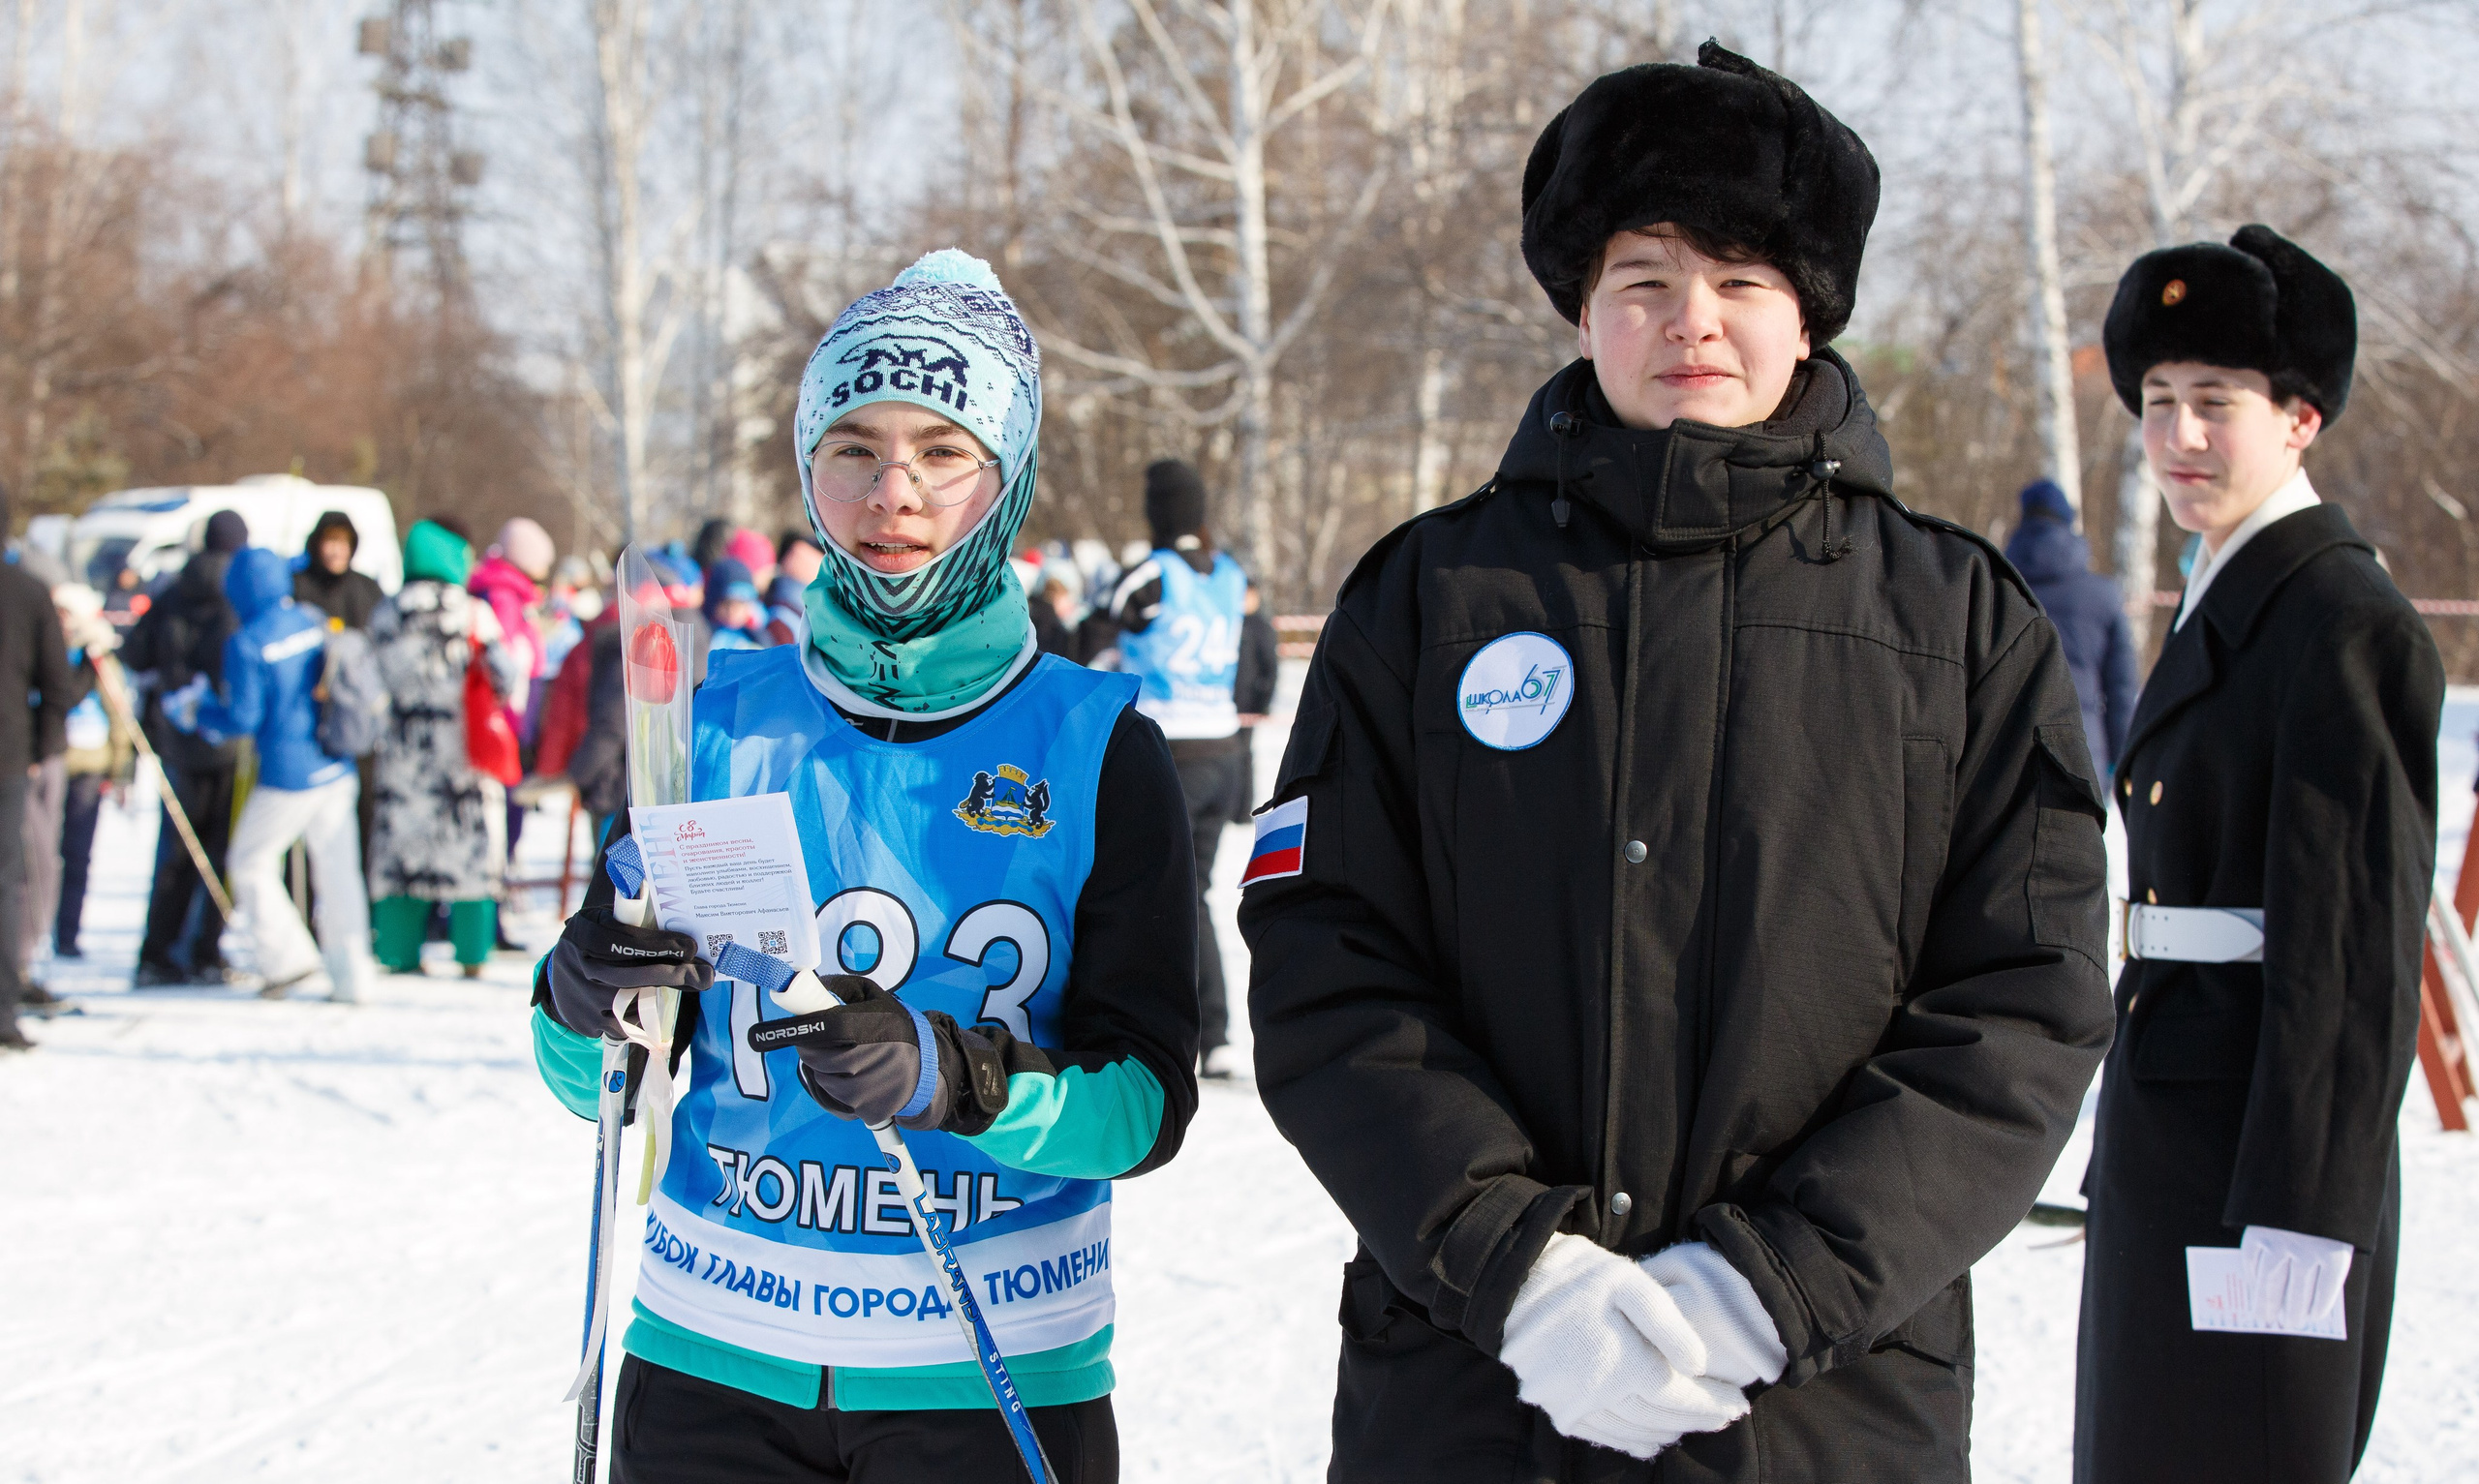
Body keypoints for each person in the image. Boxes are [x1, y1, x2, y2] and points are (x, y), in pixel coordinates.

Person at [1240, 45, 2114, 1482]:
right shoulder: (1431, 596)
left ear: (1809, 316)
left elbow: (2025, 997)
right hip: (1475, 1393)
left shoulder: (1955, 621)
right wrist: (1514, 1265)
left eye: (1741, 280)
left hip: (1818, 1410)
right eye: (1644, 278)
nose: (1690, 321)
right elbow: (1329, 951)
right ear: (1584, 307)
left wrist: (1768, 1288)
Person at [533, 249, 1198, 1483]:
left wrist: (962, 1080)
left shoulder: (1099, 746)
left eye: (942, 453)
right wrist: (580, 1002)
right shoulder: (709, 723)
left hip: (986, 1366)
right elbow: (601, 1088)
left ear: (1003, 482)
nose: (893, 491)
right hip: (712, 1356)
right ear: (807, 473)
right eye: (853, 448)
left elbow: (1146, 1111)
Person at [2072, 227, 2440, 1484]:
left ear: (2300, 417)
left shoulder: (2340, 620)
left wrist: (2302, 1217)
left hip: (2258, 1163)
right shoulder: (2231, 590)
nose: (2179, 436)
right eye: (2160, 403)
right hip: (2178, 1120)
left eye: (2214, 403)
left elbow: (2354, 952)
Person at [175, 547, 374, 1002]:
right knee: (340, 876)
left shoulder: (246, 643)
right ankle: (354, 978)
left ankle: (287, 959)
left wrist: (197, 711)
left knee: (250, 862)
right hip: (335, 762)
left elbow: (242, 719)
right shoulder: (312, 617)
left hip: (288, 774)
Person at [1109, 459, 1248, 1078]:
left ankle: (1167, 1027)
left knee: (1147, 892)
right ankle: (1213, 1032)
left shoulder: (1152, 573)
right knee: (1196, 894)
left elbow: (1108, 617)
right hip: (1224, 750)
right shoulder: (1229, 572)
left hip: (1172, 749)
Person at [367, 521, 513, 979]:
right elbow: (505, 680)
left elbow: (370, 684)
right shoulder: (473, 615)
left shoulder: (386, 615)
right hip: (462, 754)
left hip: (405, 754)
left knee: (402, 852)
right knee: (469, 853)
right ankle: (471, 955)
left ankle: (398, 952)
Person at [125, 508, 248, 985]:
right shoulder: (236, 593)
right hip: (225, 739)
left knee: (175, 850)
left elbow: (135, 652)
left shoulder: (171, 591)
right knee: (217, 849)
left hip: (176, 740)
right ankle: (205, 951)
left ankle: (158, 952)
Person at [0, 488, 72, 1048]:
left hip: (10, 758)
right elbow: (57, 687)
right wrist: (40, 751)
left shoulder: (28, 594)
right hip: (10, 757)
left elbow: (53, 687)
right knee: (7, 881)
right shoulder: (29, 592)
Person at [2007, 479, 2139, 778]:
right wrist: (2124, 758)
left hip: (2005, 754)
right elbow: (2121, 687)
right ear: (2068, 522)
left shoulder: (1993, 585)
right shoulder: (2103, 595)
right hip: (2083, 751)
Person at [49, 584, 132, 965]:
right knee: (41, 855)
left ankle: (67, 933)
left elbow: (119, 718)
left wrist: (120, 772)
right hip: (50, 763)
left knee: (77, 856)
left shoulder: (98, 660)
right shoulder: (44, 652)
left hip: (89, 766)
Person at [1225, 578, 1277, 821]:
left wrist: (1263, 701)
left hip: (1249, 702)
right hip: (1226, 700)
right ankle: (1229, 806)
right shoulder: (1229, 621)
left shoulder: (1260, 626)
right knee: (1228, 756)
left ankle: (1241, 811)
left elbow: (1270, 666)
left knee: (1243, 755)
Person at [292, 509, 384, 631]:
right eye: (330, 541)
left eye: (342, 542)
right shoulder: (297, 586)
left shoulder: (368, 589)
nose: (336, 551)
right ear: (316, 544)